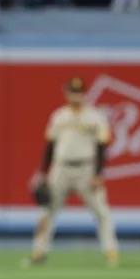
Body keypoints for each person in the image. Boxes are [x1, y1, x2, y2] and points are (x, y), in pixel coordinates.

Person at [27, 77, 120, 267]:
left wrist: (98, 174)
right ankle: (39, 252)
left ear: (84, 94)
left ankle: (111, 252)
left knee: (102, 212)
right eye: (72, 92)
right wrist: (43, 173)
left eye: (79, 92)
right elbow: (50, 146)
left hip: (86, 168)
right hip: (60, 168)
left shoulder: (95, 117)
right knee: (47, 211)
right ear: (66, 94)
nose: (75, 96)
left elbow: (102, 147)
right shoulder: (59, 116)